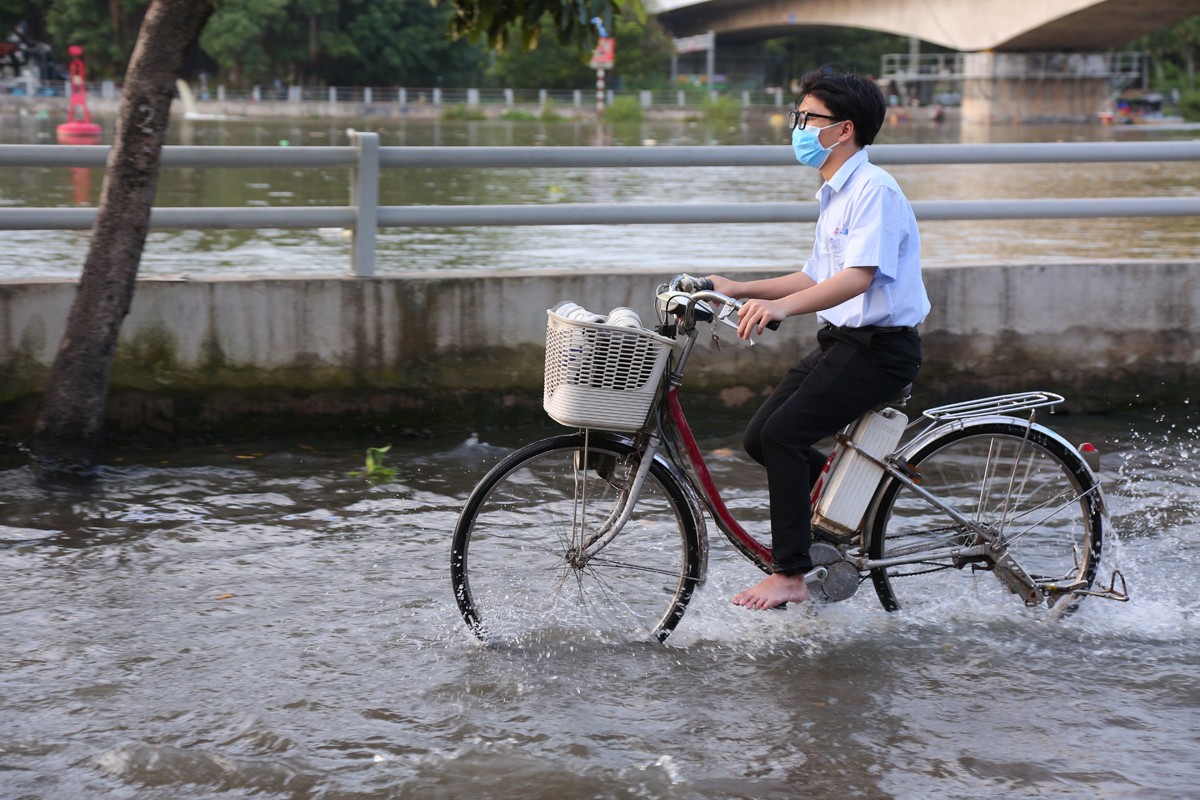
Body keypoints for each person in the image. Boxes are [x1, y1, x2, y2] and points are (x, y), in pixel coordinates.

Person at [707, 68, 930, 611]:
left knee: (784, 435)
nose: (798, 127)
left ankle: (790, 573)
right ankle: (834, 519)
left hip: (879, 349)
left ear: (843, 129)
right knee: (760, 438)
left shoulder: (874, 190)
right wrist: (737, 288)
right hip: (844, 342)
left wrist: (780, 308)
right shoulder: (837, 191)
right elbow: (814, 275)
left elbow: (858, 277)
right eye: (799, 117)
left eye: (808, 118)